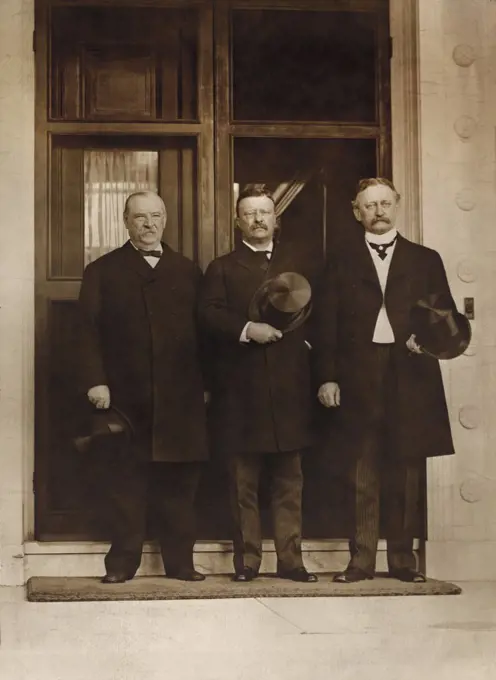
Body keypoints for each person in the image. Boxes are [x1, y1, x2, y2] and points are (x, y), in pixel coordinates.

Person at [312, 177, 458, 584]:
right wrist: (327, 377)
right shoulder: (339, 259)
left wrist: (424, 340)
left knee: (406, 467)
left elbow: (443, 314)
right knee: (361, 466)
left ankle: (402, 561)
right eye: (369, 205)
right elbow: (326, 325)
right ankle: (360, 561)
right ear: (357, 211)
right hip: (357, 373)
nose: (379, 211)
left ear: (398, 205)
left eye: (385, 203)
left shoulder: (426, 259)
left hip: (410, 372)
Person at [78, 191, 208, 584]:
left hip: (181, 398)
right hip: (124, 398)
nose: (148, 224)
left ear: (165, 220)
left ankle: (181, 564)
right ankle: (122, 565)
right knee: (125, 483)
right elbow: (86, 333)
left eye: (155, 216)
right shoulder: (102, 270)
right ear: (125, 222)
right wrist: (95, 381)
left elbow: (205, 336)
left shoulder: (188, 271)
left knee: (180, 484)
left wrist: (205, 386)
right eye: (139, 217)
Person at [200, 183, 318, 583]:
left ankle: (292, 562)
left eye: (264, 212)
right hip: (242, 392)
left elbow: (321, 314)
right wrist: (249, 328)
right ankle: (248, 563)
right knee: (242, 484)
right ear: (238, 222)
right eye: (249, 213)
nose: (257, 219)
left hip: (290, 390)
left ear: (275, 218)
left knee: (290, 482)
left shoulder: (300, 262)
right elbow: (209, 315)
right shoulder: (222, 267)